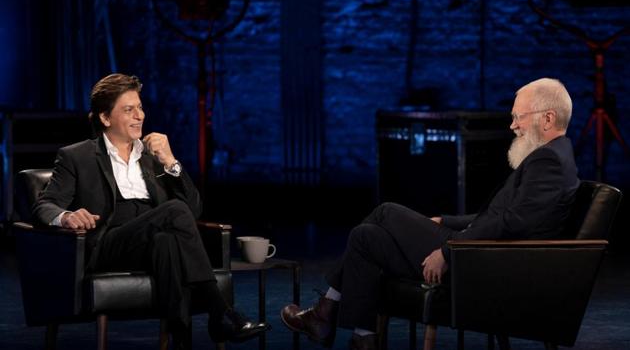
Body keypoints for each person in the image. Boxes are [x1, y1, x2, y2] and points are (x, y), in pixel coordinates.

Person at [281, 78, 580, 350]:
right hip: (480, 253)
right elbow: (497, 216)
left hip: (484, 264)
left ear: (548, 118)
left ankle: (324, 313)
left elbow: (512, 224)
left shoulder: (548, 161)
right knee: (365, 236)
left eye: (518, 116)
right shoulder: (552, 157)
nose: (512, 125)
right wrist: (446, 222)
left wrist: (447, 251)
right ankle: (362, 338)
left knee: (385, 212)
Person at [33, 73, 269, 349]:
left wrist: (170, 162)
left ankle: (183, 340)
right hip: (109, 245)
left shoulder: (152, 155)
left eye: (140, 107)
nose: (139, 116)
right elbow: (43, 205)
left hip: (151, 243)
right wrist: (67, 216)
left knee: (167, 241)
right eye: (128, 109)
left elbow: (193, 210)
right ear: (105, 118)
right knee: (173, 212)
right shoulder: (76, 156)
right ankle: (221, 312)